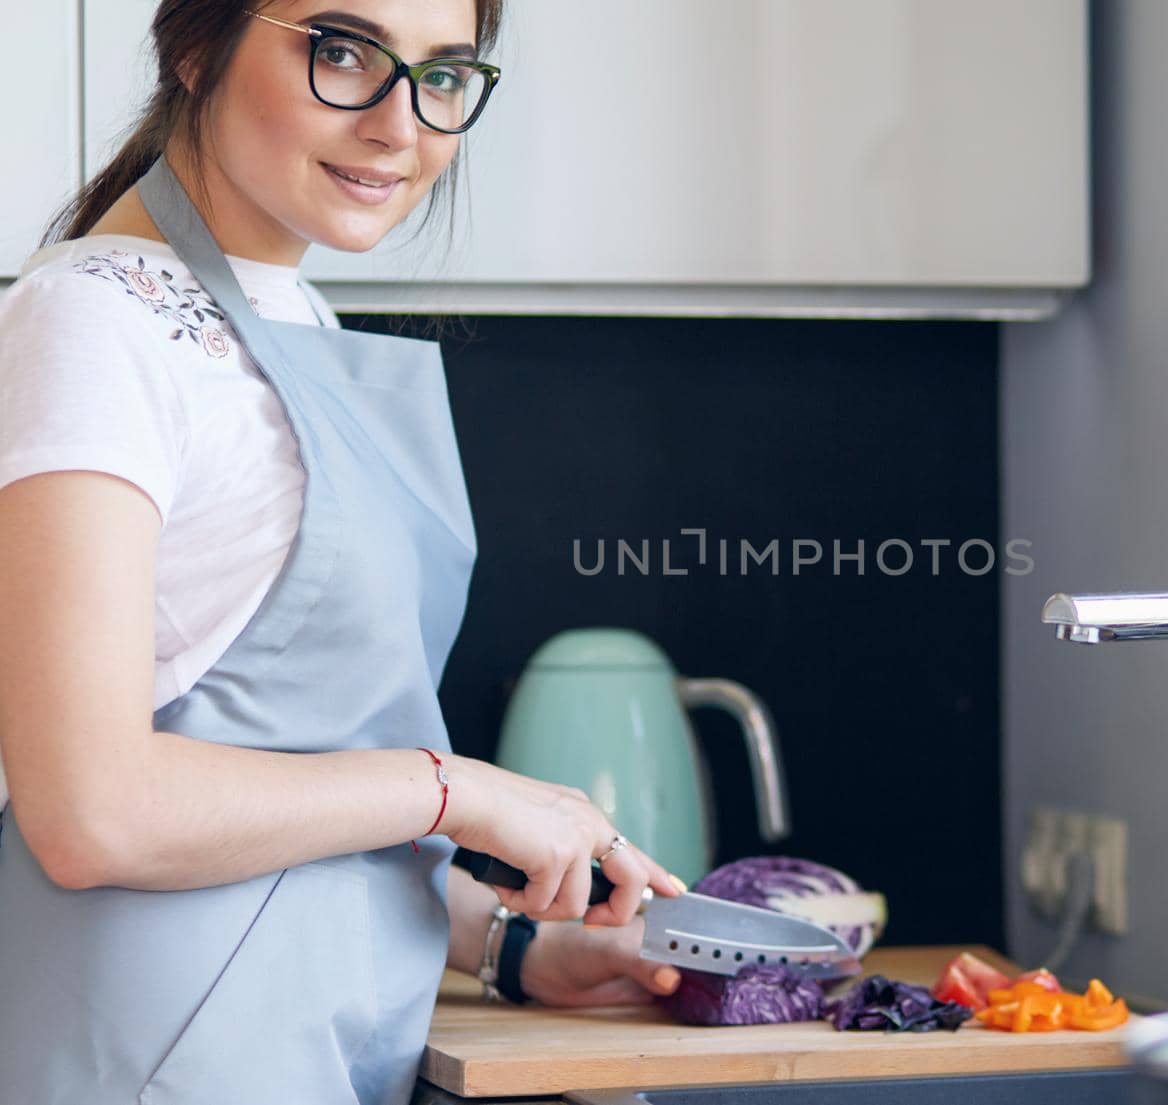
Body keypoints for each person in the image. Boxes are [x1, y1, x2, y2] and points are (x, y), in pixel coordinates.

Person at [0, 3, 685, 1102]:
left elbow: (291, 806)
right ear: (194, 45)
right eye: (344, 51)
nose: (399, 125)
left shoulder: (295, 321)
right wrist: (456, 791)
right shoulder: (92, 320)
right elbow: (94, 809)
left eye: (443, 74)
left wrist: (509, 944)